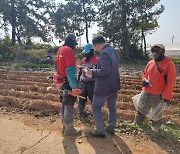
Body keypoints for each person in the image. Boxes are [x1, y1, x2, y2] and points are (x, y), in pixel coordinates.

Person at [133, 44, 176, 131]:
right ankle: (137, 124)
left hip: (158, 94)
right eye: (153, 51)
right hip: (146, 91)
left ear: (163, 52)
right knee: (140, 109)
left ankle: (156, 130)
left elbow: (171, 82)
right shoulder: (151, 62)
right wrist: (144, 80)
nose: (155, 53)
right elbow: (145, 74)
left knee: (157, 113)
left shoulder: (169, 64)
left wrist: (166, 96)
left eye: (158, 51)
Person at [87, 34, 120, 138]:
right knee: (111, 107)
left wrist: (92, 71)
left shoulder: (104, 53)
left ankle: (100, 130)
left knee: (96, 107)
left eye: (95, 47)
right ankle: (111, 127)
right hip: (114, 84)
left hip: (104, 86)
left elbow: (105, 70)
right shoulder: (113, 50)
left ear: (97, 45)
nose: (96, 50)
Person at [54, 33, 82, 136]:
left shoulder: (60, 49)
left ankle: (64, 127)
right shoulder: (69, 51)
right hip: (67, 82)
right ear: (72, 42)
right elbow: (70, 70)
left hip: (61, 81)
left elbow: (56, 66)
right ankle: (69, 130)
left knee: (63, 103)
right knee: (69, 104)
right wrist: (74, 87)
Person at [77, 43, 98, 118]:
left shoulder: (96, 60)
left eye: (87, 52)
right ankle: (80, 114)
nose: (86, 54)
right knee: (81, 99)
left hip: (92, 83)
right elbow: (80, 72)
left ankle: (95, 115)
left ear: (91, 51)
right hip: (83, 82)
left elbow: (99, 72)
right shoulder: (83, 60)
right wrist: (78, 82)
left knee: (93, 100)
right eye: (85, 52)